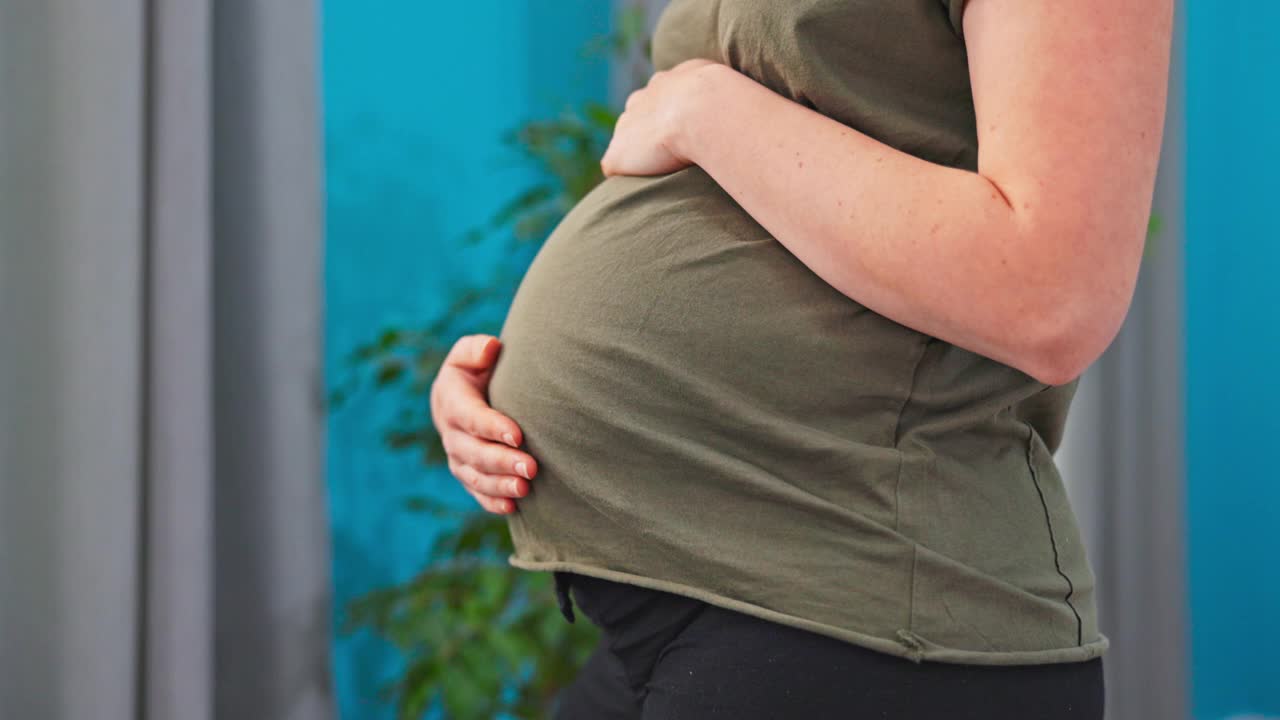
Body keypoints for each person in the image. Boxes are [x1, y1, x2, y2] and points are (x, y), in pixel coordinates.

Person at [429, 0, 1173, 717]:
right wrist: (511, 376)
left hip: (857, 611)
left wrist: (706, 109)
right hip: (701, 609)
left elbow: (1051, 295)